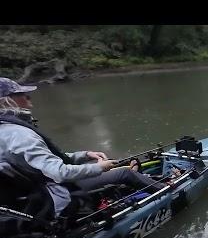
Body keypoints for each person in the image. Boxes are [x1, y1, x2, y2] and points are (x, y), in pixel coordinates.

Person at [0, 77, 163, 218]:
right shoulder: (22, 136)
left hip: (33, 196)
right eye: (20, 93)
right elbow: (59, 173)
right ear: (7, 100)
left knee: (105, 166)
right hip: (54, 194)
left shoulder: (6, 130)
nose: (28, 96)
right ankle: (170, 189)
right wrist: (99, 168)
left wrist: (85, 155)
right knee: (124, 172)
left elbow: (45, 160)